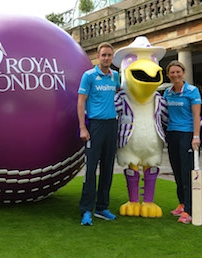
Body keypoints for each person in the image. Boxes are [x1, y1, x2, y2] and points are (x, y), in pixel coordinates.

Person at [77, 42, 120, 225]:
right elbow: (81, 102)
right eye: (103, 55)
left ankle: (102, 207)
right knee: (91, 169)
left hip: (112, 125)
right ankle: (86, 210)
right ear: (98, 56)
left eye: (109, 55)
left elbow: (118, 96)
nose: (106, 58)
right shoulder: (89, 76)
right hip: (95, 126)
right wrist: (82, 127)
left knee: (108, 169)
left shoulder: (115, 76)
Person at [163, 60, 202, 224]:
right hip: (172, 134)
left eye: (178, 72)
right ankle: (181, 203)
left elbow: (196, 116)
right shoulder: (167, 92)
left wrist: (196, 136)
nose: (175, 75)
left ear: (183, 72)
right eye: (172, 72)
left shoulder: (192, 91)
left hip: (187, 135)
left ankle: (189, 210)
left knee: (187, 173)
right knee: (177, 171)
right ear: (168, 75)